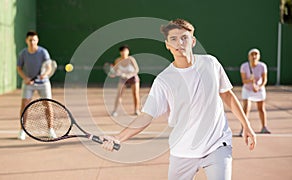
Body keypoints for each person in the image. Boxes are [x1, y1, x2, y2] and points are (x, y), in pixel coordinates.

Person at [101, 19, 256, 180]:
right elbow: (146, 116)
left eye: (184, 38)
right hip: (182, 151)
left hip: (217, 145)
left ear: (193, 41)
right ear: (167, 45)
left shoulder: (211, 63)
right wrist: (118, 137)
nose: (179, 43)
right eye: (173, 39)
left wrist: (246, 125)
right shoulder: (164, 80)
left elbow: (227, 95)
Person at [17, 31, 56, 140]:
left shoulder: (43, 52)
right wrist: (25, 78)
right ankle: (22, 130)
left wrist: (45, 74)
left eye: (34, 40)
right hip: (29, 83)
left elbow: (49, 67)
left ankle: (50, 130)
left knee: (48, 104)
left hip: (43, 83)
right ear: (26, 41)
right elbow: (19, 68)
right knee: (24, 105)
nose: (32, 42)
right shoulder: (23, 53)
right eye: (30, 40)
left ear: (37, 40)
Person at [239, 48, 270, 135]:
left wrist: (258, 87)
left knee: (261, 109)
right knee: (246, 109)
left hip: (259, 90)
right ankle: (243, 129)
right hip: (247, 90)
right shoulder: (244, 66)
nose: (254, 56)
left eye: (256, 54)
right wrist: (250, 80)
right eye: (252, 54)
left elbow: (264, 80)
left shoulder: (262, 66)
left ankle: (264, 127)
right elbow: (244, 81)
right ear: (249, 57)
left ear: (259, 56)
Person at [111, 45, 141, 116]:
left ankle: (136, 110)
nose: (124, 53)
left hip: (133, 78)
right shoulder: (117, 60)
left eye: (125, 51)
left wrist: (129, 75)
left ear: (128, 52)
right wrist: (114, 74)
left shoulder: (131, 59)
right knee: (119, 95)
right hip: (123, 79)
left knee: (135, 94)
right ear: (120, 52)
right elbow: (114, 71)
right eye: (122, 51)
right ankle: (115, 111)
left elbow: (136, 70)